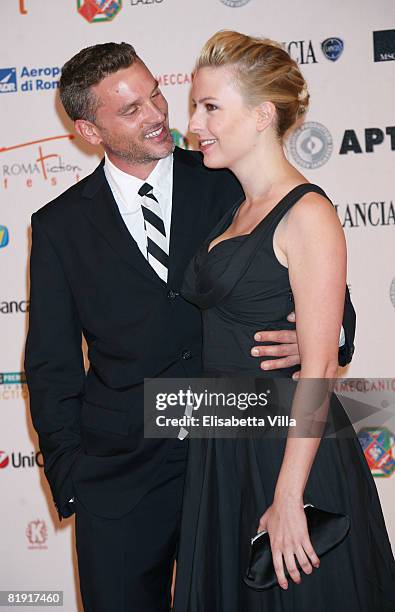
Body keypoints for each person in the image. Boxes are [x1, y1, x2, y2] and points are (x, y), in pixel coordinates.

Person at [24, 43, 356, 612]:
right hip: (122, 475)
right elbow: (51, 363)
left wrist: (323, 338)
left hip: (236, 452)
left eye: (154, 93)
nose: (157, 113)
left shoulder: (227, 177)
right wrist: (74, 473)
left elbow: (328, 297)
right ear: (88, 129)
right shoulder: (58, 226)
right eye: (130, 110)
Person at [173, 31, 395, 611]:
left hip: (285, 447)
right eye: (196, 106)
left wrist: (291, 493)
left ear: (263, 114)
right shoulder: (236, 207)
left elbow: (319, 364)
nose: (194, 122)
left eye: (211, 107)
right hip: (224, 442)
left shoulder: (309, 212)